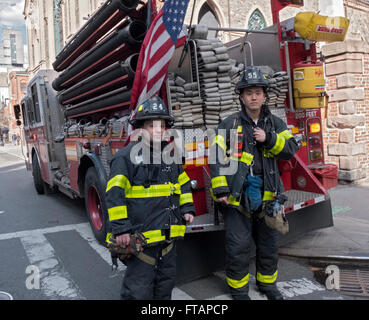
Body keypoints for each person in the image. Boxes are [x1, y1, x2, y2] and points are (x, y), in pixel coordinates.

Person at [209, 66, 299, 300]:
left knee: (268, 248)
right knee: (238, 249)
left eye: (258, 92)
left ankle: (267, 286)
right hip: (238, 199)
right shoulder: (229, 124)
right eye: (249, 93)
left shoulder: (276, 124)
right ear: (241, 96)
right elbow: (216, 157)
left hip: (268, 198)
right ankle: (239, 292)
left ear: (265, 95)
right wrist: (220, 189)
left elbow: (289, 150)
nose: (254, 97)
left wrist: (268, 139)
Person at [105, 95, 195, 300]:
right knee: (138, 292)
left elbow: (183, 183)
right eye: (151, 125)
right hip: (141, 244)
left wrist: (187, 208)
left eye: (162, 125)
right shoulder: (125, 157)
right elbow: (114, 194)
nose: (158, 129)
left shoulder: (170, 156)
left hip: (168, 241)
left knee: (165, 289)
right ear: (140, 128)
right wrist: (121, 229)